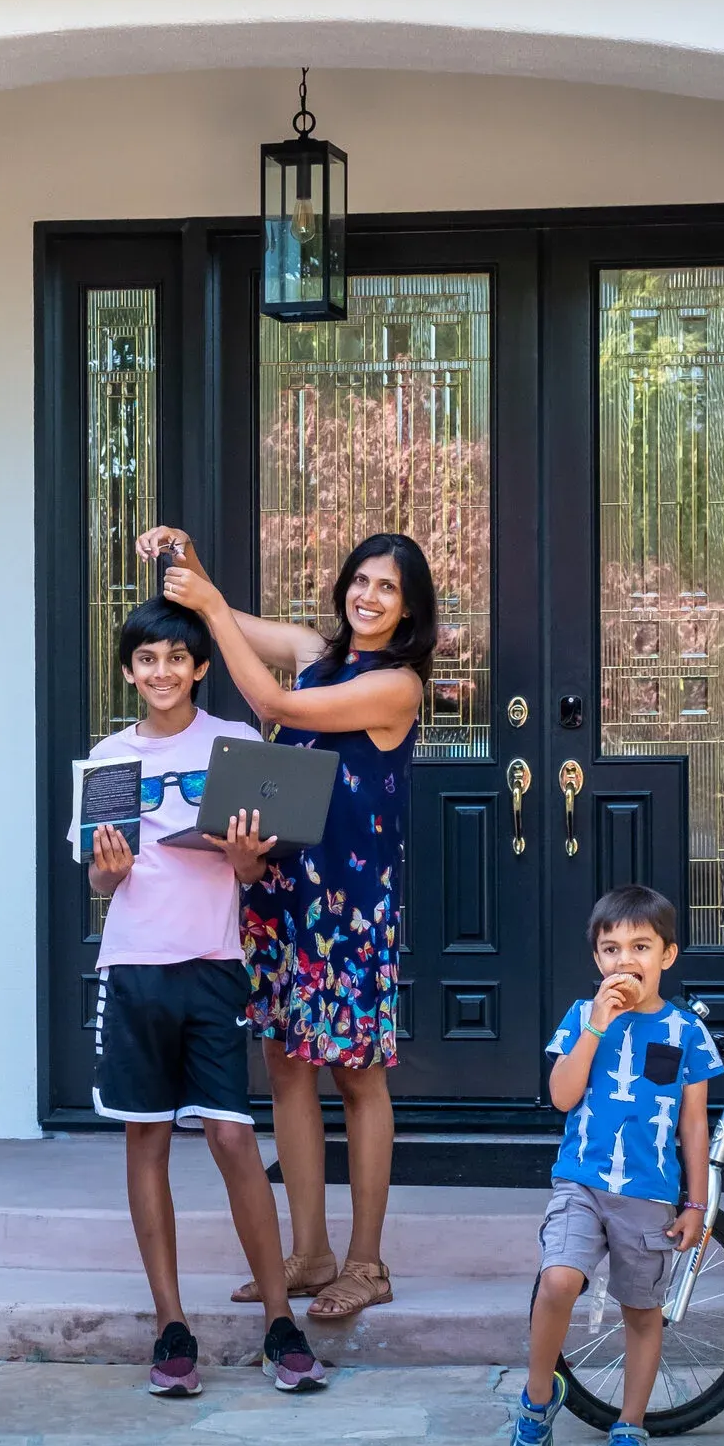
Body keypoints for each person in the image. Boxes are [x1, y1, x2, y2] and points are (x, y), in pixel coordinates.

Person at [136, 524, 431, 1323]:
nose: (367, 596)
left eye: (386, 588)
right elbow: (222, 612)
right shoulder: (312, 647)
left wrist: (208, 606)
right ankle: (309, 1251)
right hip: (281, 892)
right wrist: (188, 561)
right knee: (287, 1065)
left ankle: (367, 1261)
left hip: (349, 905)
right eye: (359, 580)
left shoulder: (395, 683)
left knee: (356, 1073)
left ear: (408, 611)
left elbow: (269, 702)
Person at [83, 597, 330, 1395]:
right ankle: (170, 1326)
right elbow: (97, 877)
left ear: (199, 666)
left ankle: (278, 1323)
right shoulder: (108, 759)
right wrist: (109, 873)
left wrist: (249, 857)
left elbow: (254, 871)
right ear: (129, 670)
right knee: (145, 1140)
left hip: (214, 962)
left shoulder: (233, 742)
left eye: (177, 659)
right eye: (146, 660)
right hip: (133, 968)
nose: (162, 672)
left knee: (230, 1138)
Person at [507, 884, 722, 1446]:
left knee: (641, 1310)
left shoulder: (685, 1033)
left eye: (640, 946)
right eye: (610, 948)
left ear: (668, 955)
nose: (624, 960)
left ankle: (629, 1425)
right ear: (596, 960)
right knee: (557, 1282)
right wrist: (597, 1026)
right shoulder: (581, 1018)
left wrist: (696, 1202)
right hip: (580, 1180)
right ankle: (536, 1397)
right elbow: (561, 1097)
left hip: (650, 1194)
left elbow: (694, 1124)